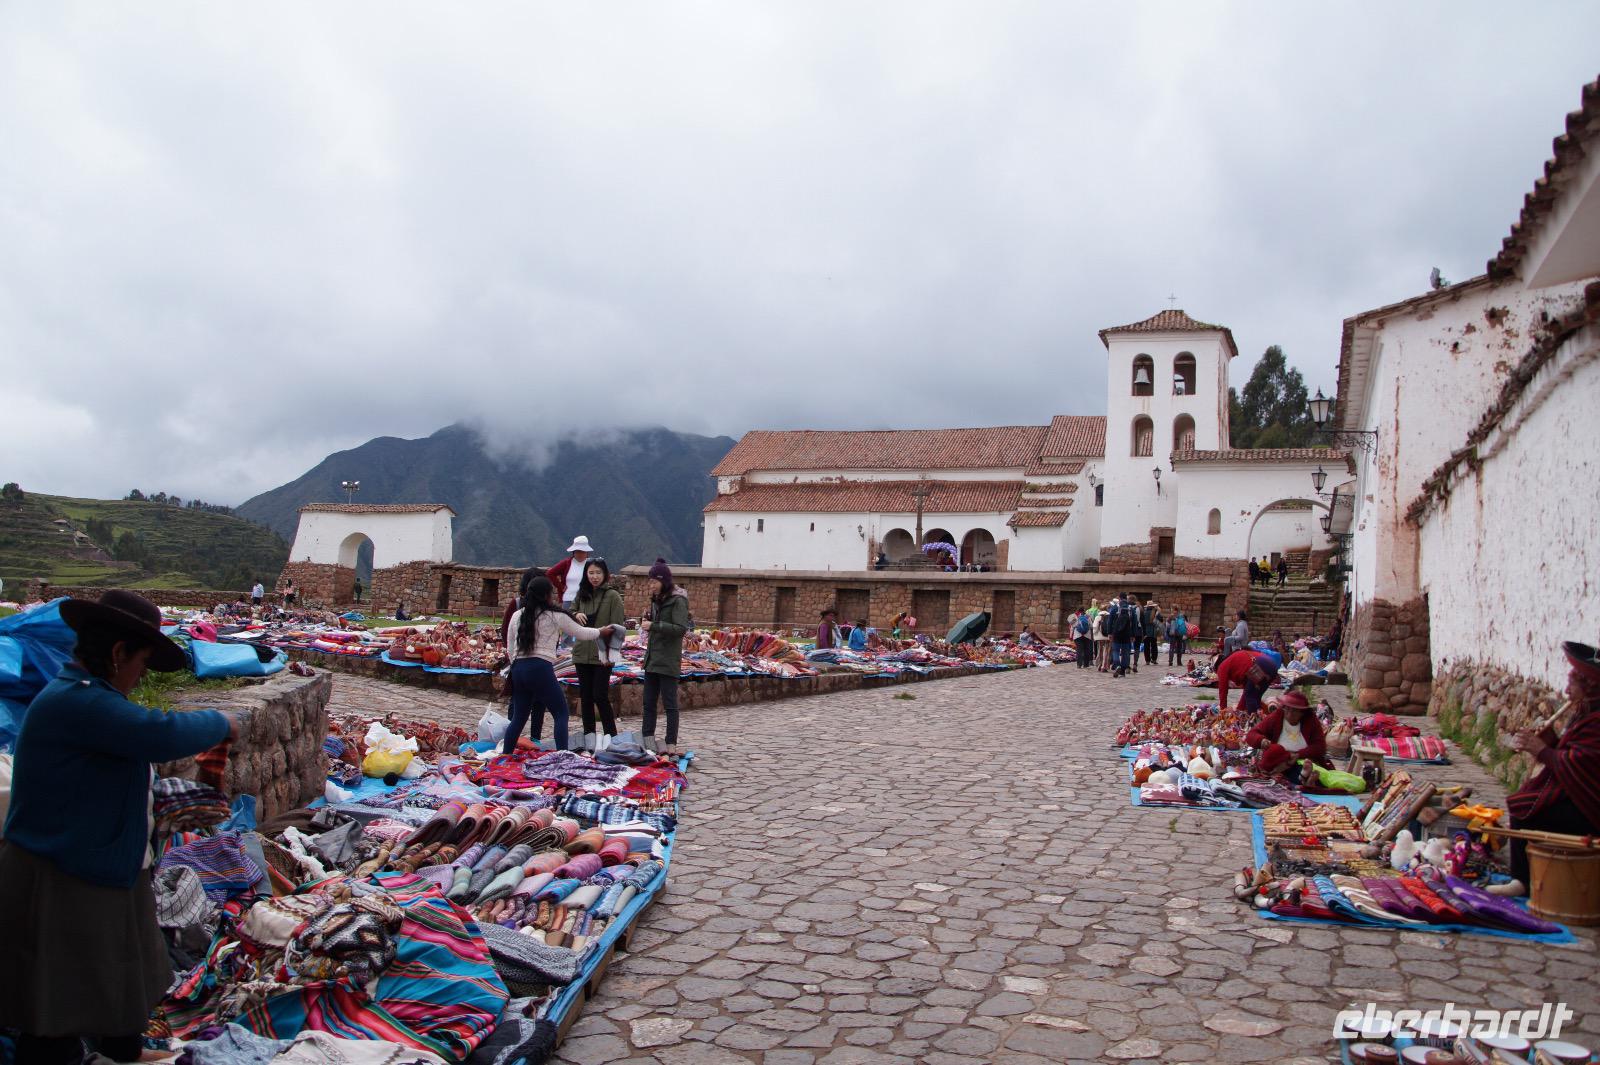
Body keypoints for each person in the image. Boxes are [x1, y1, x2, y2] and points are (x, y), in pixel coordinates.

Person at [0, 591, 239, 1064]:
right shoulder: (80, 702)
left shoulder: (90, 700)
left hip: (103, 865)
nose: (143, 675)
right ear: (117, 654)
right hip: (62, 872)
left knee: (118, 986)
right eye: (143, 662)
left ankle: (123, 1051)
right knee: (56, 1006)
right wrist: (222, 720)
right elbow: (159, 732)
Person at [1505, 640, 1600, 887]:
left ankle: (1521, 880)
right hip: (1581, 796)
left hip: (1591, 808)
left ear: (1588, 687)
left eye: (1572, 683)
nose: (1567, 690)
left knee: (1524, 810)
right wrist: (1551, 742)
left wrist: (1543, 751)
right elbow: (1574, 754)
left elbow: (1584, 762)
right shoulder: (1587, 712)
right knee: (1525, 799)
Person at [503, 576, 617, 755]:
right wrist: (601, 632)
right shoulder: (554, 615)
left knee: (518, 718)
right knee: (560, 713)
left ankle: (505, 756)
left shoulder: (518, 615)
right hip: (540, 668)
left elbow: (510, 645)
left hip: (518, 669)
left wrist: (517, 666)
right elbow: (580, 632)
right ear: (547, 595)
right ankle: (562, 757)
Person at [570, 557, 625, 752]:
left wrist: (612, 655)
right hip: (582, 652)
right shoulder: (581, 594)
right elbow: (569, 612)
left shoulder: (613, 597)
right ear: (586, 574)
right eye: (591, 573)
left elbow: (619, 628)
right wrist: (575, 614)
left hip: (602, 655)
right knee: (585, 696)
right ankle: (589, 737)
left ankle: (613, 737)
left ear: (605, 575)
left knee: (600, 695)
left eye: (598, 573)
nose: (594, 577)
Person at [641, 559, 689, 757]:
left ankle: (671, 743)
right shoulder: (656, 599)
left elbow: (680, 629)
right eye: (650, 581)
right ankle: (647, 740)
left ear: (664, 581)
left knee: (670, 704)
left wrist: (654, 626)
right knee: (648, 703)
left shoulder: (678, 600)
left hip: (668, 658)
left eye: (654, 581)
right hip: (653, 657)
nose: (651, 585)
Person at [1246, 689, 1330, 781]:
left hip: (1302, 760)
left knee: (1301, 771)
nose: (1289, 714)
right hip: (1279, 759)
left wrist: (1298, 755)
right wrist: (1261, 740)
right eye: (1287, 709)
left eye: (1294, 711)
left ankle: (1305, 778)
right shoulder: (1277, 716)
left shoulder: (1311, 721)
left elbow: (1320, 747)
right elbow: (1251, 734)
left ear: (1302, 712)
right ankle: (1303, 779)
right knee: (1274, 751)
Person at [1215, 648, 1280, 712]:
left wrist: (1223, 709)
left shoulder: (1222, 666)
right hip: (1272, 665)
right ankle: (1261, 718)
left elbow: (1223, 689)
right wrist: (1239, 709)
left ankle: (1253, 720)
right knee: (1255, 697)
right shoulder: (1234, 662)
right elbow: (1246, 691)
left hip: (1260, 664)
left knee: (1250, 697)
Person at [545, 535, 594, 608]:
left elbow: (604, 575)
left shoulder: (592, 564)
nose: (580, 554)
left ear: (587, 552)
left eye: (582, 552)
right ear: (574, 552)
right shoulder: (566, 563)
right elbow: (550, 573)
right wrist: (561, 587)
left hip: (587, 599)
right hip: (568, 599)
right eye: (578, 551)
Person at [1143, 600, 1162, 665]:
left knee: (1146, 646)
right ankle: (1154, 659)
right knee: (1154, 646)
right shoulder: (1156, 613)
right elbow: (1161, 619)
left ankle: (1147, 660)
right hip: (1153, 631)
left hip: (1146, 631)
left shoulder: (1144, 613)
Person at [1094, 604, 1111, 672]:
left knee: (1100, 650)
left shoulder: (1098, 617)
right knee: (1106, 650)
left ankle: (1099, 665)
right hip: (1107, 636)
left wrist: (1094, 635)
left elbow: (1095, 627)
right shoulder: (1109, 616)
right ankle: (1105, 666)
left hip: (1099, 636)